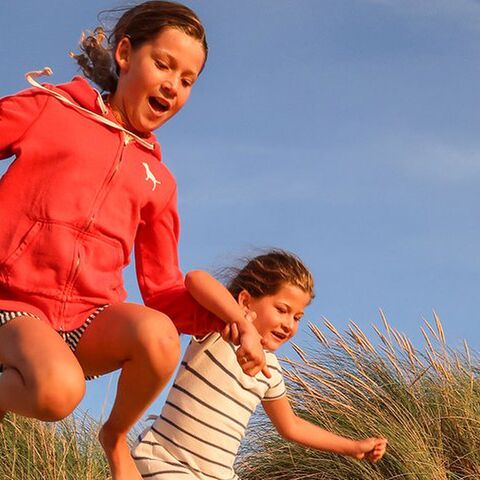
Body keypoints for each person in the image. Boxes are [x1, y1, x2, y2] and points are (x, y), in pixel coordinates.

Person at [0, 2, 267, 479]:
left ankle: (116, 435)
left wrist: (227, 319)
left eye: (187, 80)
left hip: (87, 321)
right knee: (59, 393)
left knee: (157, 335)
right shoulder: (50, 109)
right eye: (163, 64)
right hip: (13, 303)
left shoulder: (159, 181)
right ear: (125, 53)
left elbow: (163, 288)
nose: (173, 84)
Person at [132, 250, 388, 479]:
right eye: (282, 309)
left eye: (297, 317)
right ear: (245, 301)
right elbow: (195, 278)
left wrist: (353, 447)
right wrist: (241, 324)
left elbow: (292, 426)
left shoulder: (271, 372)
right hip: (166, 461)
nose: (290, 324)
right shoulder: (218, 329)